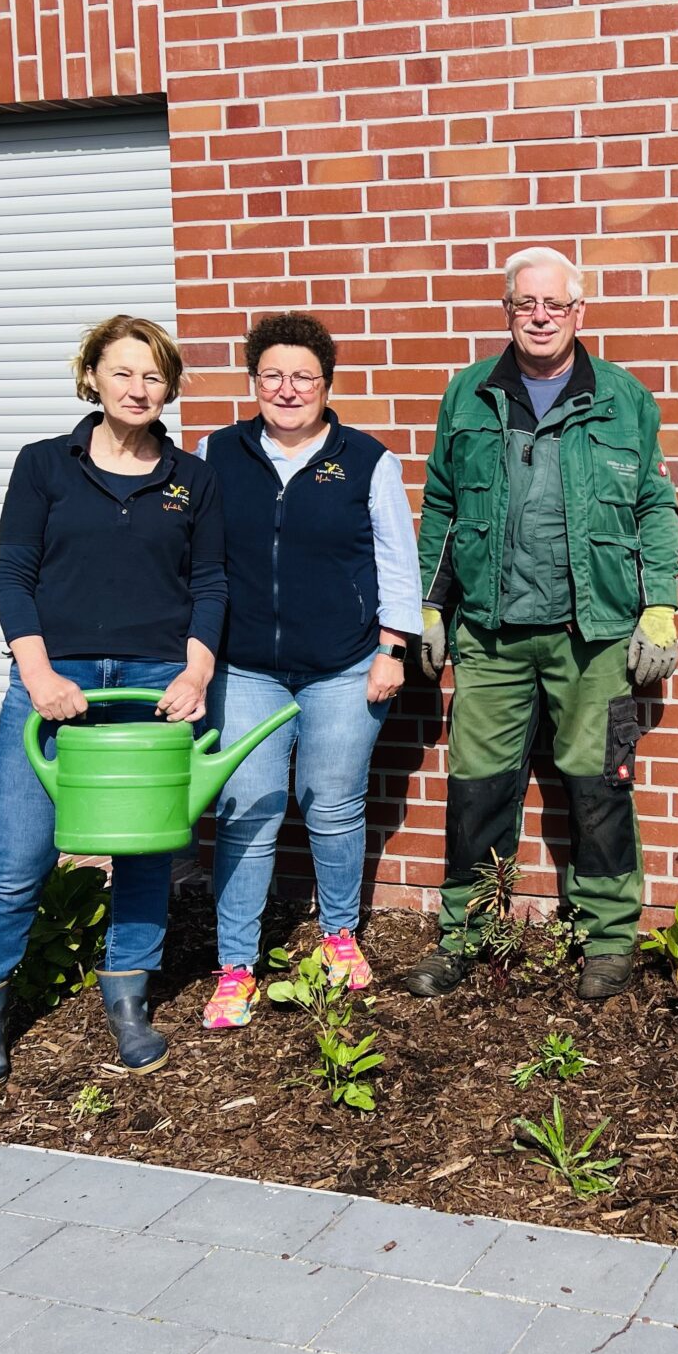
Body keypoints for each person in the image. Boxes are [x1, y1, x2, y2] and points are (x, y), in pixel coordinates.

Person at [402, 246, 678, 1003]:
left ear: (578, 312)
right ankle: (468, 936)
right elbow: (443, 509)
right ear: (507, 312)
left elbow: (656, 508)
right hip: (490, 636)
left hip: (592, 636)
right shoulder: (468, 395)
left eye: (555, 305)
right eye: (525, 304)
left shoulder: (624, 398)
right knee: (478, 789)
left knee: (598, 788)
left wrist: (659, 607)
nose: (540, 317)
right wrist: (430, 605)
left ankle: (607, 940)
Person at [0, 316, 225, 1089]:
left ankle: (130, 1004)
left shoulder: (191, 479)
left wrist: (196, 673)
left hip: (149, 683)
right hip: (55, 681)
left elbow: (210, 584)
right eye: (124, 373)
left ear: (169, 387)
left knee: (142, 855)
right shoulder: (43, 466)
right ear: (93, 378)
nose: (139, 389)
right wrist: (37, 675)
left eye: (154, 376)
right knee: (19, 859)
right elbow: (14, 575)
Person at [194, 313, 422, 1029]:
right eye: (272, 375)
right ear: (253, 380)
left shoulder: (366, 460)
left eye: (303, 377)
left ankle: (339, 937)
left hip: (343, 667)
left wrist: (392, 649)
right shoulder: (215, 453)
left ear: (327, 385)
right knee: (249, 811)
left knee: (331, 802)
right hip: (247, 667)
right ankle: (236, 967)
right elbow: (195, 559)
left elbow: (395, 560)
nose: (287, 389)